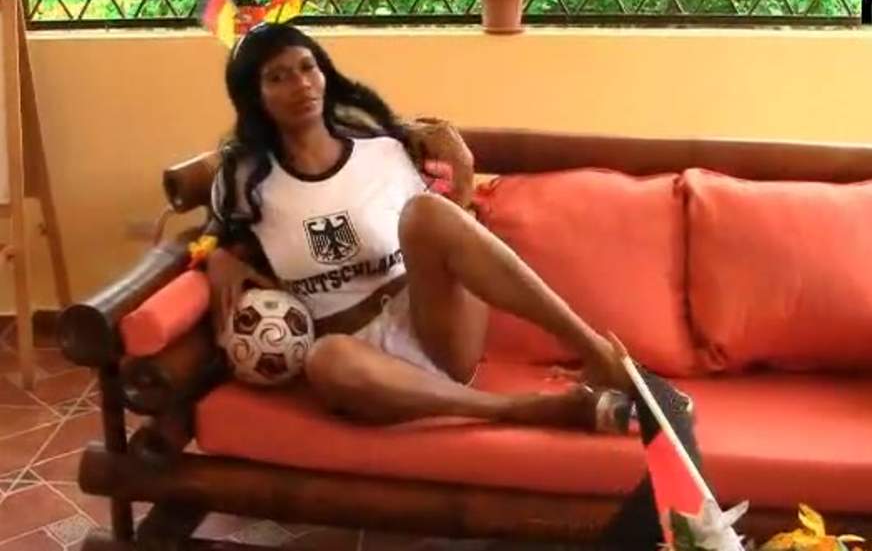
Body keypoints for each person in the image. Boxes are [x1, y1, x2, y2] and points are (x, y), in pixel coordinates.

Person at [207, 23, 633, 433]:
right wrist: (218, 255)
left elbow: (443, 237)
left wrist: (462, 184)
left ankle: (595, 351)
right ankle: (520, 410)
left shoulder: (385, 151)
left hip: (435, 328)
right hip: (361, 361)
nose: (301, 84)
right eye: (278, 77)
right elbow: (213, 236)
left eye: (307, 67)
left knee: (425, 212)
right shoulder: (245, 181)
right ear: (253, 96)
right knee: (324, 359)